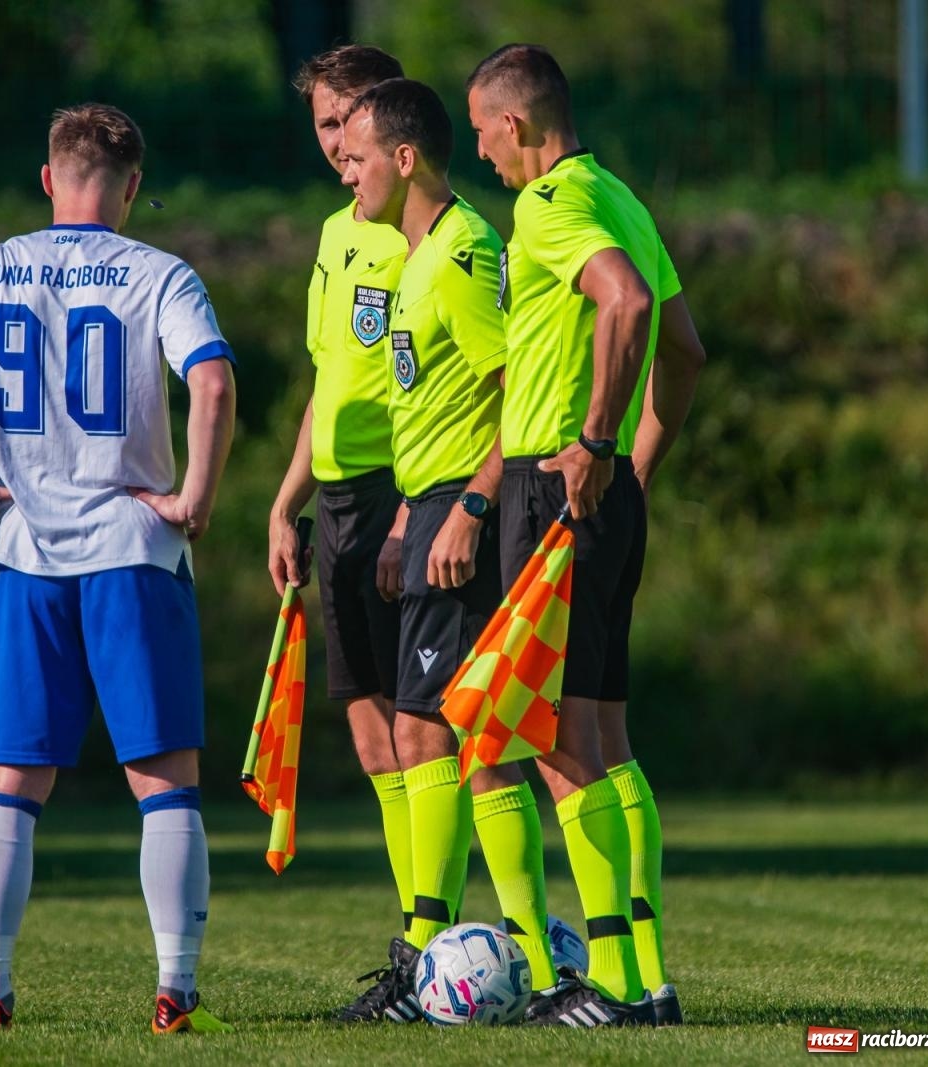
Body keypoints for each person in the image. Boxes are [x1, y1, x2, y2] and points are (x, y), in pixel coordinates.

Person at [0, 103, 238, 1037]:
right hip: (134, 550)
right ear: (129, 187)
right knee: (166, 782)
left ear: (48, 179)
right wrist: (195, 498)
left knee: (9, 784)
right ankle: (176, 992)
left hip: (28, 554)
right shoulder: (162, 273)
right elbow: (211, 382)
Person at [465, 43, 707, 1027]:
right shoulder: (623, 197)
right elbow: (683, 351)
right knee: (603, 734)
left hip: (551, 487)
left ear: (514, 124)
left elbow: (630, 304)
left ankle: (610, 984)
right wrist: (635, 466)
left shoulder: (552, 204)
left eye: (481, 130)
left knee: (559, 738)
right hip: (600, 494)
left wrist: (596, 442)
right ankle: (646, 976)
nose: (479, 152)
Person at [338, 73, 566, 1016]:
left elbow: (520, 385)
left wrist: (471, 507)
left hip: (461, 509)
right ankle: (449, 956)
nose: (348, 178)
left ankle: (449, 958)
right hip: (424, 507)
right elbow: (426, 401)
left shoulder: (465, 252)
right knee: (442, 730)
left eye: (358, 159)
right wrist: (404, 520)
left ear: (403, 158)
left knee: (458, 733)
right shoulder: (413, 256)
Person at [265, 45, 424, 1023]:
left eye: (348, 122)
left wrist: (423, 504)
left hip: (404, 490)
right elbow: (330, 380)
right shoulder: (335, 233)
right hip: (335, 502)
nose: (335, 145)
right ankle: (419, 939)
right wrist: (286, 500)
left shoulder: (431, 235)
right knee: (369, 733)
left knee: (422, 726)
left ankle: (434, 939)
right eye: (323, 125)